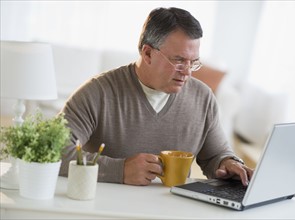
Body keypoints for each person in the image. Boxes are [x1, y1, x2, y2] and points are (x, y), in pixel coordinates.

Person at [59, 7, 254, 186]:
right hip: (107, 208)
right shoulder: (97, 93)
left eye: (193, 62)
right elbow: (54, 152)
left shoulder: (202, 97)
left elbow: (216, 155)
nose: (187, 72)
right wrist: (119, 170)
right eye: (178, 60)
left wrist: (229, 164)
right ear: (148, 53)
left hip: (172, 209)